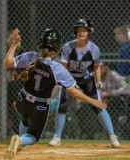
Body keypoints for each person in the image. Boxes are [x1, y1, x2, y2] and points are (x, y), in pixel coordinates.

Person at [3, 28, 107, 159]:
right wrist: (92, 101)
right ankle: (20, 141)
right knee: (33, 136)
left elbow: (7, 63)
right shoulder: (57, 68)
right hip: (39, 107)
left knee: (25, 119)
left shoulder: (31, 56)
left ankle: (20, 145)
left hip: (21, 101)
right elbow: (74, 92)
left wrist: (13, 45)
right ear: (57, 47)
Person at [48, 18, 120, 148]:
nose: (81, 33)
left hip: (87, 79)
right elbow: (63, 66)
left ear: (89, 32)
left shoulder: (94, 49)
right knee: (62, 104)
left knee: (98, 105)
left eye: (84, 30)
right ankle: (57, 136)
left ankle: (112, 136)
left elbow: (97, 66)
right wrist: (66, 82)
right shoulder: (68, 47)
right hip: (70, 78)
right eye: (79, 30)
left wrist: (98, 81)